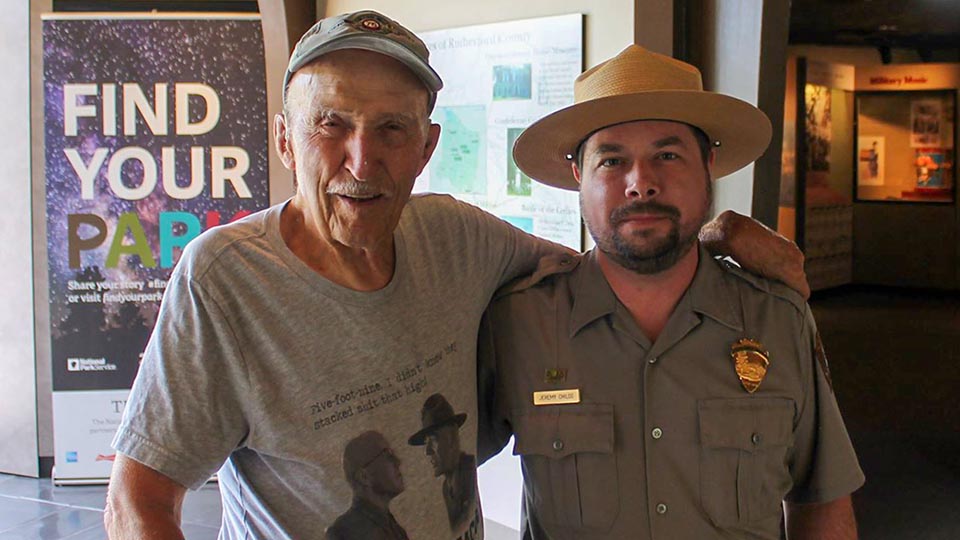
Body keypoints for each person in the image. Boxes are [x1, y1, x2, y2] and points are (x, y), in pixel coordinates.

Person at [104, 10, 808, 539]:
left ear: (427, 146)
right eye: (331, 125)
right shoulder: (225, 279)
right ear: (286, 139)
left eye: (391, 129)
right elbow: (137, 500)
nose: (361, 159)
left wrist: (720, 234)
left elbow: (606, 263)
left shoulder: (458, 237)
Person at [478, 45, 864, 540]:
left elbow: (823, 501)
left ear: (708, 165)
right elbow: (435, 469)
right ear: (579, 176)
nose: (641, 184)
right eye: (612, 160)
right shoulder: (518, 321)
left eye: (667, 155)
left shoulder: (778, 318)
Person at [408, 394, 478, 532]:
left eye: (433, 440)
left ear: (451, 437)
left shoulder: (468, 473)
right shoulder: (447, 488)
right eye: (426, 443)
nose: (427, 451)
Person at [326, 431, 408, 540]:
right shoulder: (343, 532)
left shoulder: (396, 530)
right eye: (387, 455)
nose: (398, 462)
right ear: (364, 477)